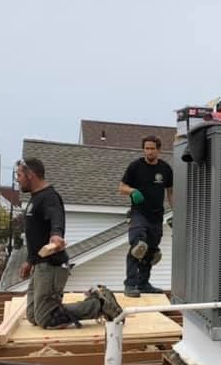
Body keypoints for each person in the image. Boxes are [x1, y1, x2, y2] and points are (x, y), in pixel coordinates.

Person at [16, 158, 122, 329]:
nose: (17, 179)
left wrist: (56, 235)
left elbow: (56, 219)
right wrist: (30, 260)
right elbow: (36, 235)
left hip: (52, 266)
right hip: (40, 265)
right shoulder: (35, 198)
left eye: (19, 175)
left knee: (46, 319)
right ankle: (88, 303)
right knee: (33, 316)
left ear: (30, 175)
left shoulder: (50, 197)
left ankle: (100, 304)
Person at [119, 136, 173, 298]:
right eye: (147, 148)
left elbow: (170, 192)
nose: (149, 151)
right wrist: (132, 191)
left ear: (158, 150)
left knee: (151, 252)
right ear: (144, 149)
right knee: (139, 245)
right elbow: (121, 187)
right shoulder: (135, 167)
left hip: (156, 216)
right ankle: (130, 284)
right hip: (139, 214)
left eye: (152, 148)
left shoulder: (165, 169)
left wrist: (176, 212)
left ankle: (143, 284)